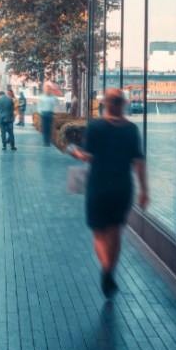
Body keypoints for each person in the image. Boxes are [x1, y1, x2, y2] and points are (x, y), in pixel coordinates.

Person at [62, 87, 149, 298]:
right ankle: (111, 270)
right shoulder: (131, 129)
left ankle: (105, 269)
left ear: (105, 103)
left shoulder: (96, 127)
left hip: (98, 185)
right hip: (122, 187)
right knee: (115, 231)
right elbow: (138, 162)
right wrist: (144, 190)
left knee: (99, 231)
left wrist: (75, 153)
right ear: (123, 105)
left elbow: (90, 157)